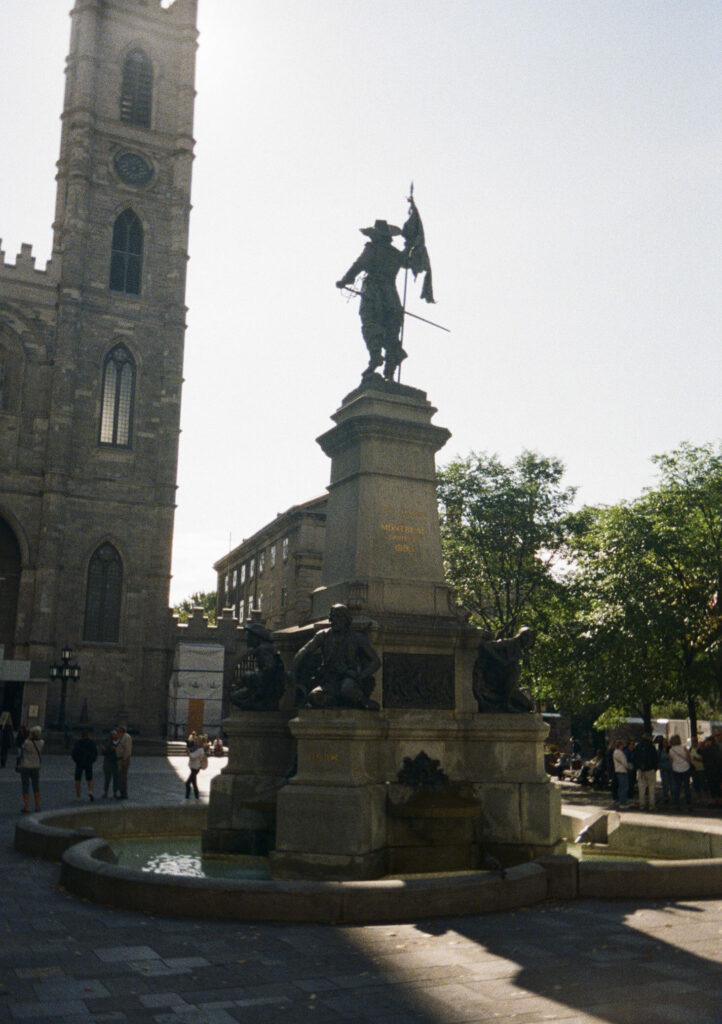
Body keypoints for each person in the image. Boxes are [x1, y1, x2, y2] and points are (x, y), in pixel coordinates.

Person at [336, 219, 412, 381]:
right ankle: (389, 371)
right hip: (392, 297)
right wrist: (410, 245)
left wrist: (344, 280)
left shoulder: (372, 249)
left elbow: (359, 265)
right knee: (391, 333)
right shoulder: (396, 254)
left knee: (370, 324)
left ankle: (375, 356)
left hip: (374, 293)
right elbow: (407, 261)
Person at [292, 603, 381, 709]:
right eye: (332, 616)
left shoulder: (357, 638)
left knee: (347, 691)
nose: (333, 620)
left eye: (338, 617)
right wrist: (292, 670)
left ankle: (363, 701)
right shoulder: (323, 635)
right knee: (314, 696)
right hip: (329, 679)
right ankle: (336, 701)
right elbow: (304, 651)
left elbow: (376, 661)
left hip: (349, 677)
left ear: (346, 619)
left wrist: (360, 675)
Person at [18, 725, 44, 813]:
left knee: (25, 786)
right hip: (36, 766)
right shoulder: (41, 743)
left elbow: (22, 748)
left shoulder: (27, 743)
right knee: (36, 786)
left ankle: (27, 806)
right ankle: (37, 806)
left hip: (26, 766)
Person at [631, 733, 659, 811]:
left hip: (640, 770)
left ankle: (642, 805)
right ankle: (652, 805)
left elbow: (634, 758)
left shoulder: (638, 747)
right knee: (651, 787)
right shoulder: (651, 747)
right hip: (650, 769)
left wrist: (638, 767)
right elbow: (655, 758)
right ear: (649, 738)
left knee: (641, 788)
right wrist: (655, 768)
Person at [71, 729, 98, 801]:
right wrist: (92, 760)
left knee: (78, 779)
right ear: (88, 735)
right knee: (89, 778)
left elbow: (74, 753)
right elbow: (95, 753)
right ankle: (90, 791)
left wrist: (76, 760)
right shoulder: (91, 743)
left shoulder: (78, 743)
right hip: (88, 762)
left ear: (81, 736)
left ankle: (78, 795)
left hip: (79, 762)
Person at [668, 733, 692, 811]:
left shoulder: (671, 750)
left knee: (677, 787)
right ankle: (689, 804)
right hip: (685, 768)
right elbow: (688, 758)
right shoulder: (684, 748)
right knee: (686, 787)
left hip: (676, 770)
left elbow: (671, 761)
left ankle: (677, 804)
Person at [612, 739, 632, 809]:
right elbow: (624, 763)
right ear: (620, 745)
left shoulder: (615, 752)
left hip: (617, 770)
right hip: (622, 771)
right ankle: (623, 802)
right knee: (624, 787)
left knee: (621, 787)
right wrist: (629, 767)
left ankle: (620, 801)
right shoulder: (620, 753)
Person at [115, 725, 132, 799]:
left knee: (123, 777)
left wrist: (125, 759)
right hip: (120, 759)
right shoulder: (121, 737)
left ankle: (124, 794)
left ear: (121, 731)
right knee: (120, 777)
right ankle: (122, 792)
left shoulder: (126, 737)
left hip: (123, 759)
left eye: (118, 731)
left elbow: (127, 749)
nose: (117, 732)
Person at [101, 730, 119, 798]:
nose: (113, 736)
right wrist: (105, 750)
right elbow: (104, 752)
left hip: (115, 762)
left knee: (116, 778)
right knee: (107, 778)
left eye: (114, 735)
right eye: (111, 735)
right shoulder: (107, 742)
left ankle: (115, 792)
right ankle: (106, 792)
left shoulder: (118, 742)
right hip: (108, 762)